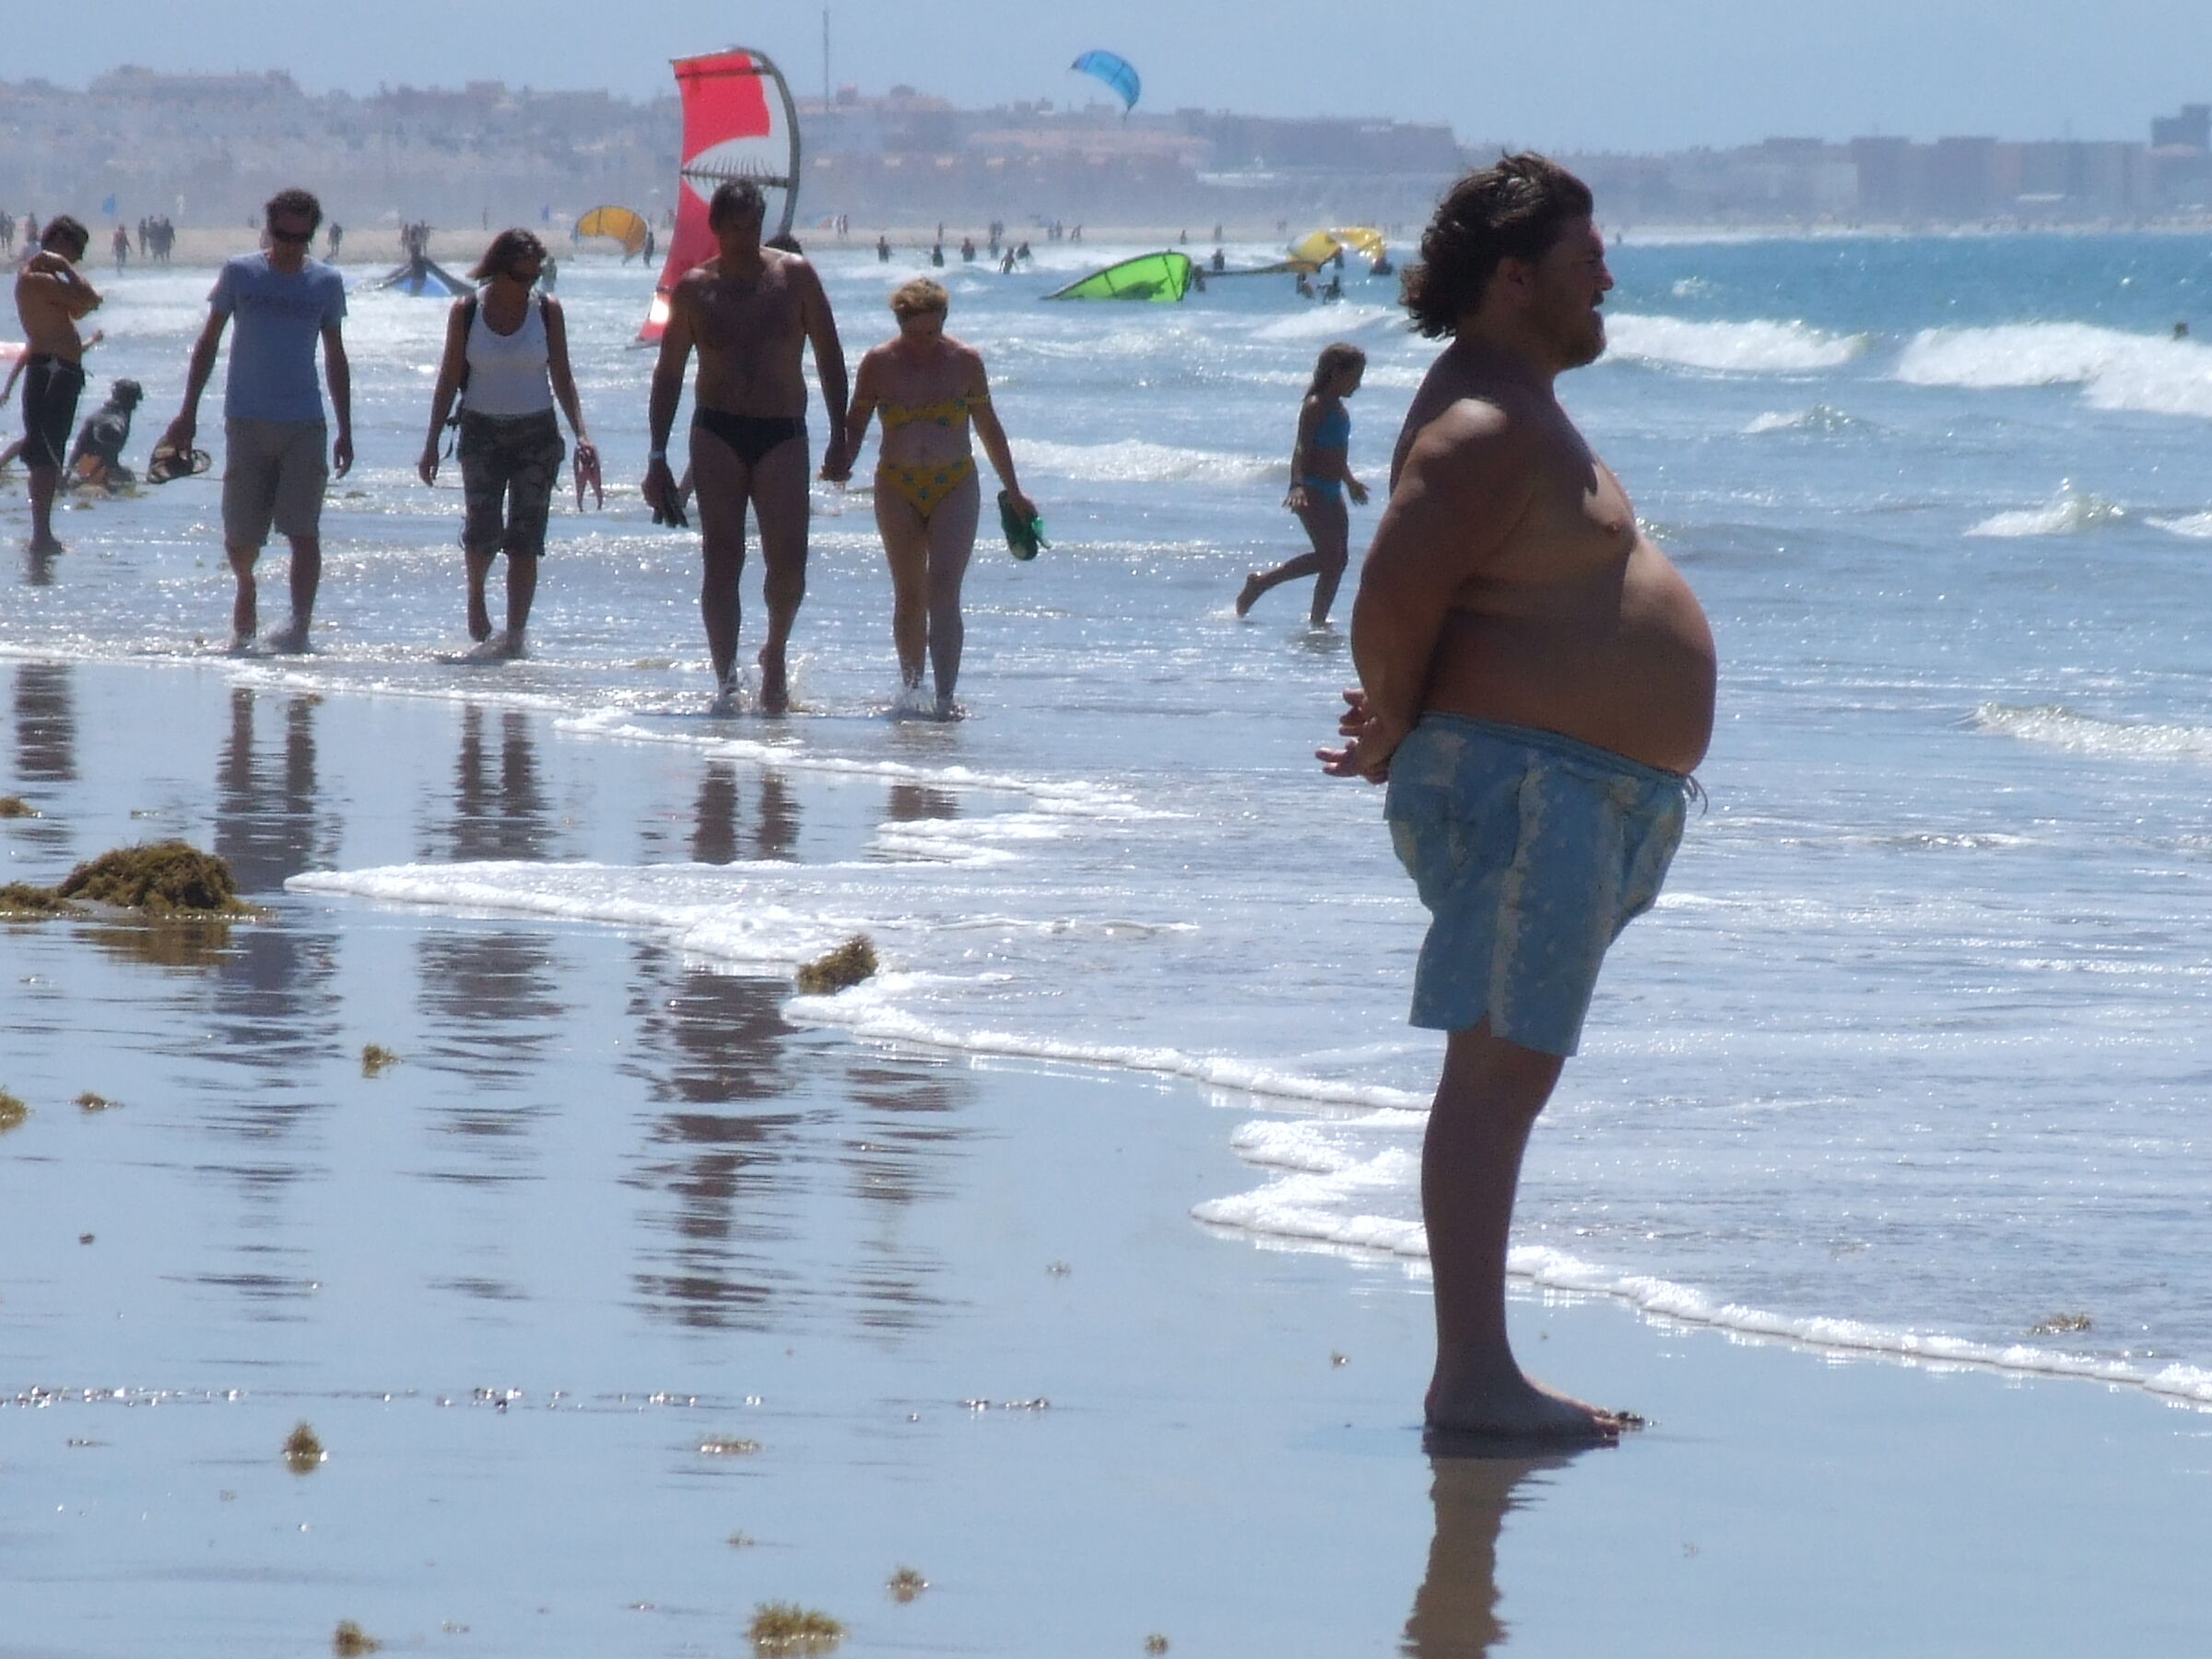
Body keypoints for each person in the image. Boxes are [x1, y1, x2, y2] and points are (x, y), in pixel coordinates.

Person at [1317, 155, 1716, 1442]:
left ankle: (1477, 1371)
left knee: (1509, 1072)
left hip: (1569, 791)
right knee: (1494, 1076)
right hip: (1531, 789)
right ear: (1513, 274)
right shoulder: (1482, 424)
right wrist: (1392, 715)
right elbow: (1391, 592)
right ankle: (1472, 1379)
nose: (1607, 272)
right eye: (1585, 251)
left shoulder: (1519, 409)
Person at [642, 178, 850, 713]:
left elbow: (829, 353)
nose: (742, 237)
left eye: (751, 227)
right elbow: (668, 374)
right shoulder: (693, 289)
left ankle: (774, 651)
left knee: (789, 565)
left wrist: (841, 435)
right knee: (722, 557)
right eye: (732, 228)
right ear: (715, 228)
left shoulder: (794, 277)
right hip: (716, 430)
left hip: (783, 430)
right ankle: (727, 680)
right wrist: (658, 456)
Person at [157, 186, 351, 653]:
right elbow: (208, 343)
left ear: (311, 235)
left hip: (305, 421)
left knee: (303, 529)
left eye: (300, 237)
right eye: (283, 233)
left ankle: (299, 627)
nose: (290, 244)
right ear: (270, 228)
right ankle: (246, 586)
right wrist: (187, 413)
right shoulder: (240, 273)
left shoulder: (325, 282)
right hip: (246, 419)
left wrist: (345, 427)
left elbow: (336, 355)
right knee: (241, 536)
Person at [845, 277, 1036, 719]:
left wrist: (1013, 488)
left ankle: (946, 698)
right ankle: (913, 690)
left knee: (944, 591)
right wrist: (842, 459)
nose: (924, 345)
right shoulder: (878, 362)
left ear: (944, 323)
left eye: (932, 333)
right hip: (897, 484)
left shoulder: (965, 362)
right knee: (909, 594)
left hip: (955, 483)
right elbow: (855, 421)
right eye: (915, 335)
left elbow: (988, 426)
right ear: (900, 324)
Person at [418, 229, 595, 658]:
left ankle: (515, 634)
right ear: (497, 272)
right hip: (481, 431)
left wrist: (583, 436)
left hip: (536, 432)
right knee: (482, 531)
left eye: (535, 276)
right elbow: (447, 378)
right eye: (521, 276)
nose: (529, 285)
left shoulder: (547, 312)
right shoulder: (467, 312)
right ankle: (477, 594)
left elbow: (563, 376)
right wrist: (430, 443)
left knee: (525, 539)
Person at [1238, 343, 1369, 624]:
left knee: (1338, 561)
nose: (1358, 385)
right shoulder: (1315, 406)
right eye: (1354, 377)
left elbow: (1335, 453)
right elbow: (1301, 449)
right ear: (1335, 373)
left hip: (1333, 492)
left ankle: (1318, 621)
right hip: (1311, 489)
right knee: (1327, 557)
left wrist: (1350, 482)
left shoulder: (1341, 410)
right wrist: (1296, 485)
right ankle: (1261, 583)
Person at [11, 215, 101, 555]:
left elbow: (78, 310)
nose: (78, 257)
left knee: (47, 450)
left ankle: (42, 533)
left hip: (56, 368)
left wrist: (63, 269)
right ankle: (41, 535)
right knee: (46, 453)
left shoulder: (46, 280)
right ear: (61, 242)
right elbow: (89, 299)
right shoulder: (36, 278)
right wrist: (65, 266)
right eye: (75, 250)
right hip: (52, 370)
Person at [67, 376, 142, 489]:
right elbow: (110, 456)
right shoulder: (121, 417)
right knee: (127, 479)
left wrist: (69, 473)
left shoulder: (97, 415)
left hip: (96, 435)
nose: (135, 405)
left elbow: (78, 450)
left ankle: (73, 480)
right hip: (110, 432)